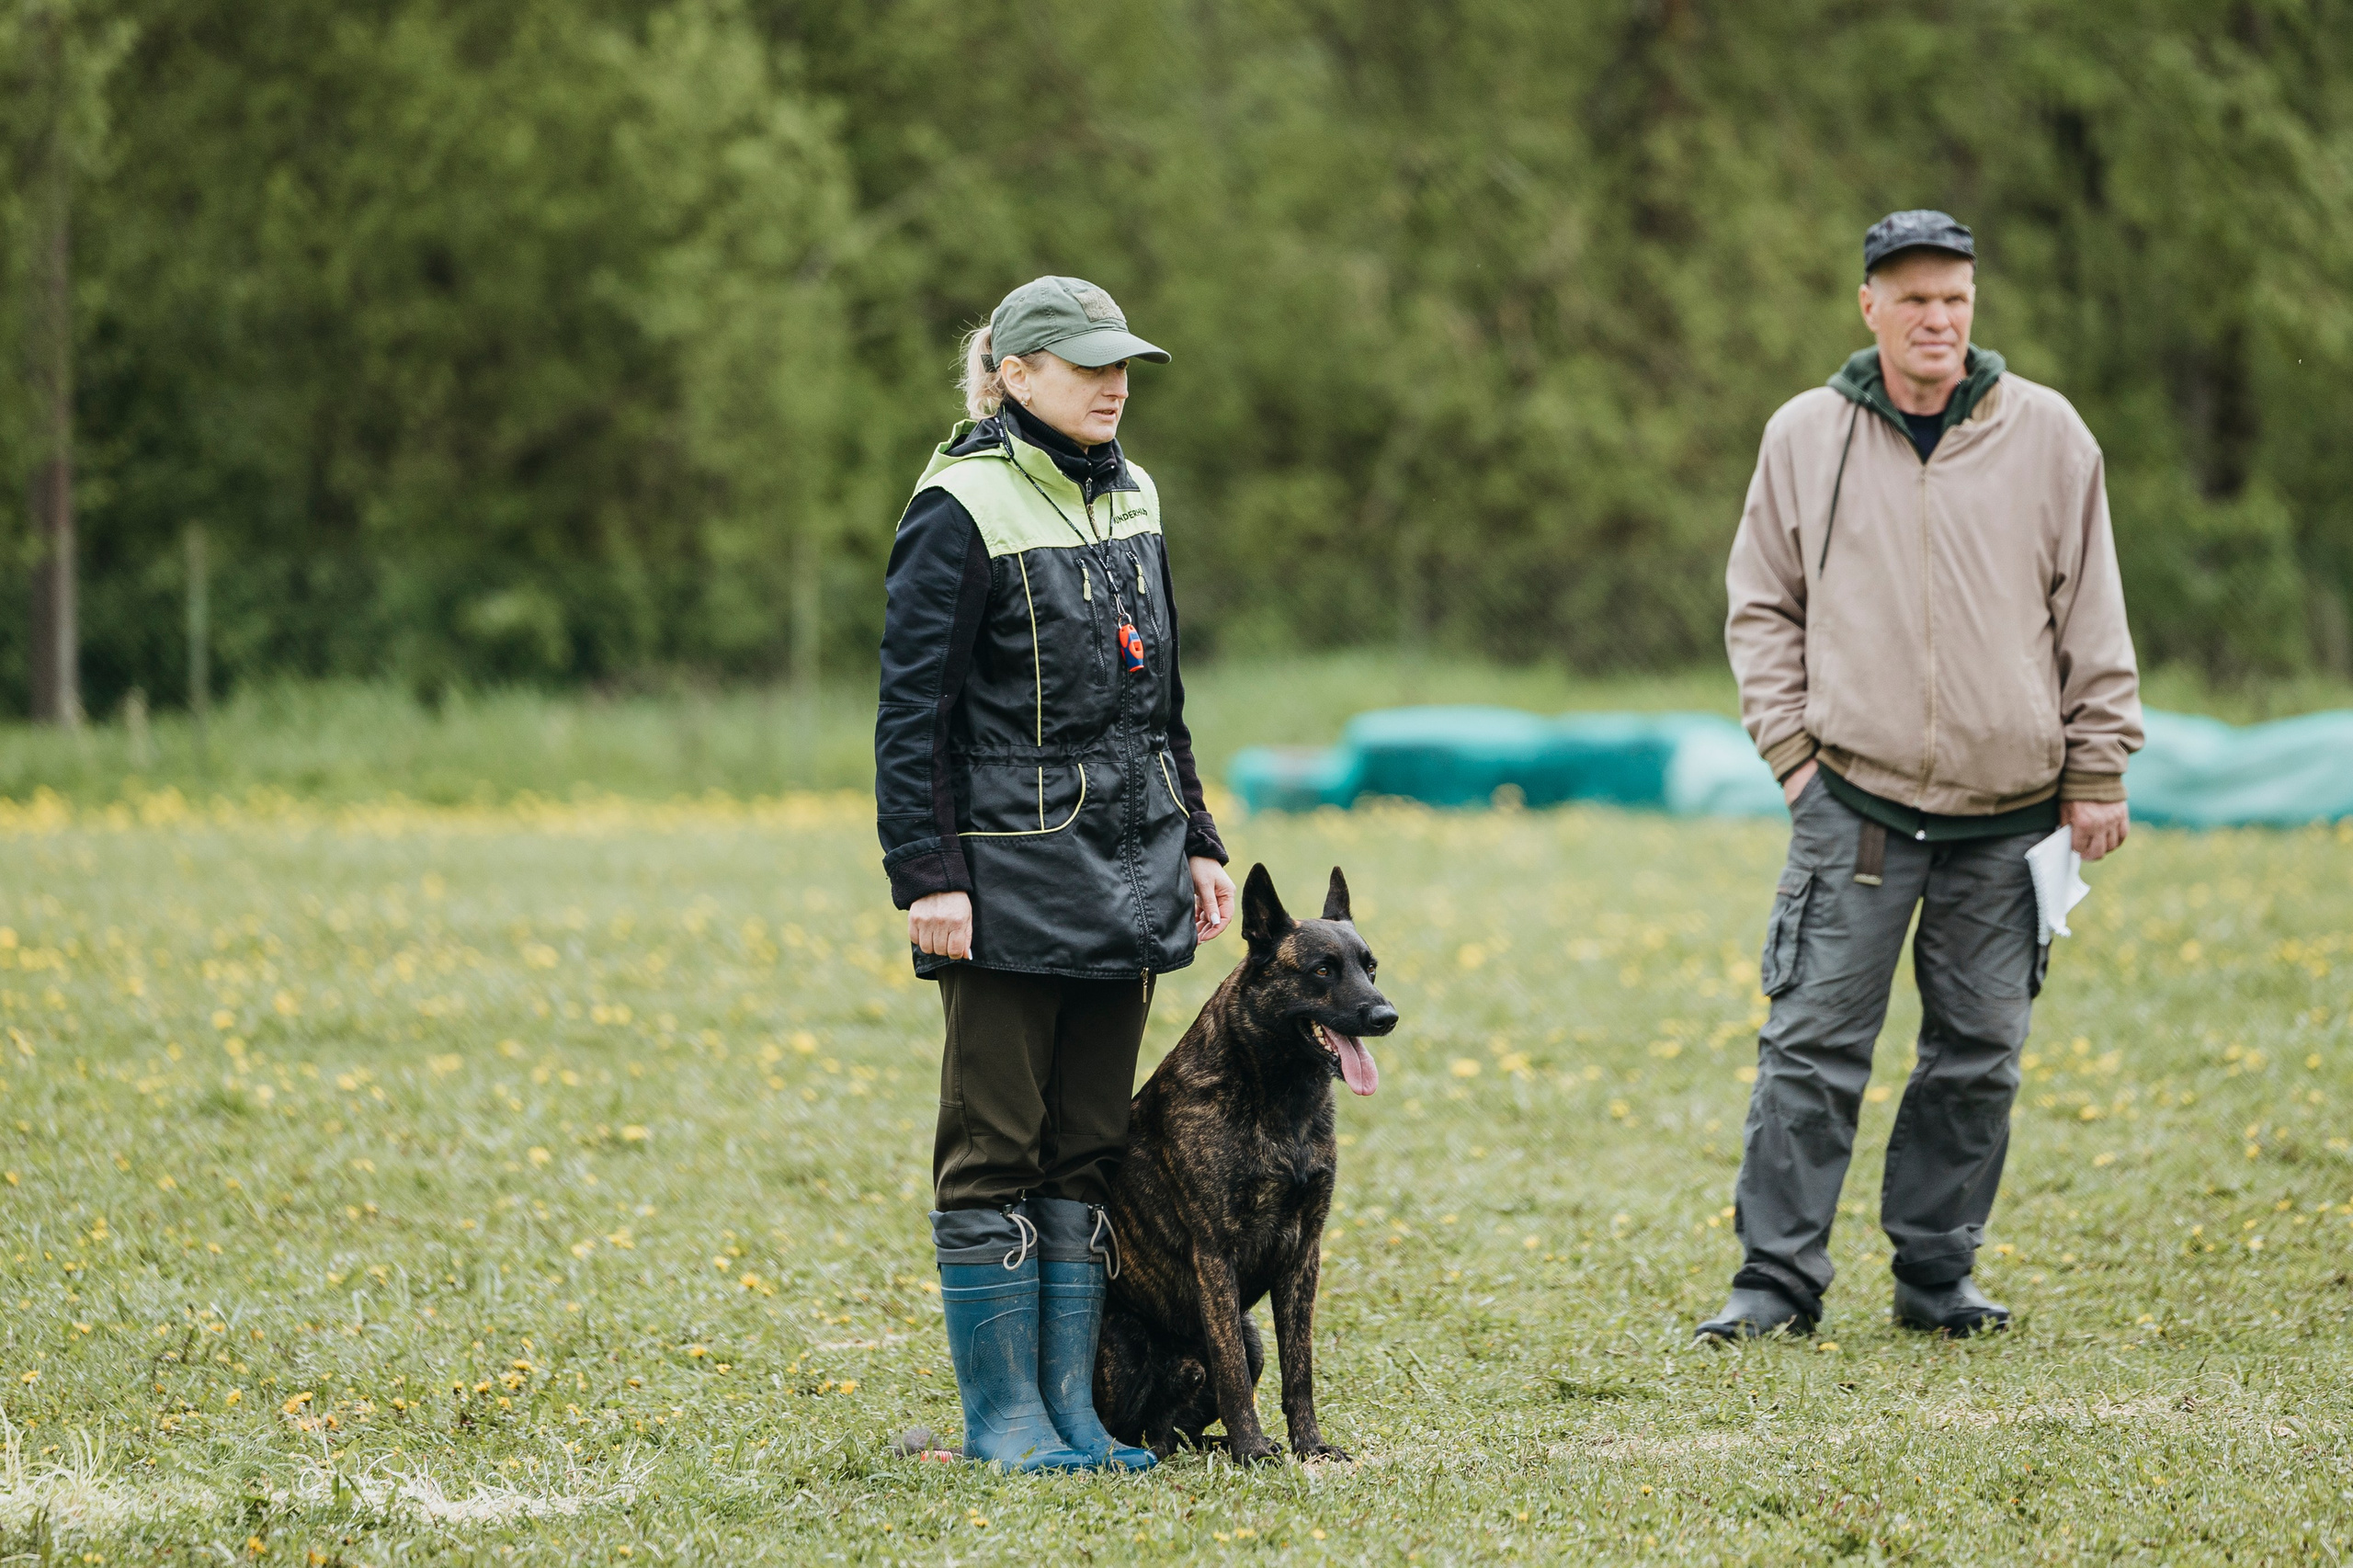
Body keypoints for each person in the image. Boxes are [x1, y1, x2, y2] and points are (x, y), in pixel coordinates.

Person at [1704, 211, 2143, 1342]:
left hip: (2009, 817)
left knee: (1978, 1056)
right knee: (1809, 1049)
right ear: (1869, 307)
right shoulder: (1806, 434)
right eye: (1911, 298)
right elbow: (1761, 604)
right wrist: (1794, 758)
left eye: (1952, 297)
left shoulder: (2046, 433)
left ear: (1973, 302)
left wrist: (2096, 767)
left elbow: (2090, 606)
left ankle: (1937, 1274)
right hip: (1851, 803)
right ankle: (1774, 1283)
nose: (1935, 318)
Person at [874, 276, 1235, 1469]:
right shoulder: (958, 505)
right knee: (996, 1142)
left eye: (1122, 363)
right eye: (1085, 365)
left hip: (1129, 874)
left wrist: (1199, 837)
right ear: (1016, 374)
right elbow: (909, 715)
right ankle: (1005, 1419)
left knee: (1085, 1146)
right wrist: (928, 874)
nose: (1114, 383)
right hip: (1002, 883)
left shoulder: (1137, 492)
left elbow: (1160, 700)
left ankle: (1071, 1412)